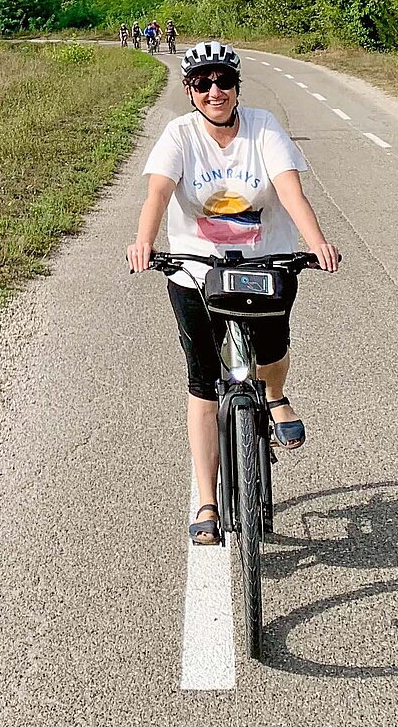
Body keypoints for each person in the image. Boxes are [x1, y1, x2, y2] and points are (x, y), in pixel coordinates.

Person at [127, 40, 339, 545]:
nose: (215, 91)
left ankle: (275, 396)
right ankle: (207, 500)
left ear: (237, 86)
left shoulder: (263, 127)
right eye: (203, 84)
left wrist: (317, 243)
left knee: (273, 349)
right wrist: (143, 243)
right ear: (189, 91)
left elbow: (289, 190)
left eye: (224, 81)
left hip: (265, 261)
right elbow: (158, 192)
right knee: (203, 381)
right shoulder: (179, 135)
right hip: (196, 269)